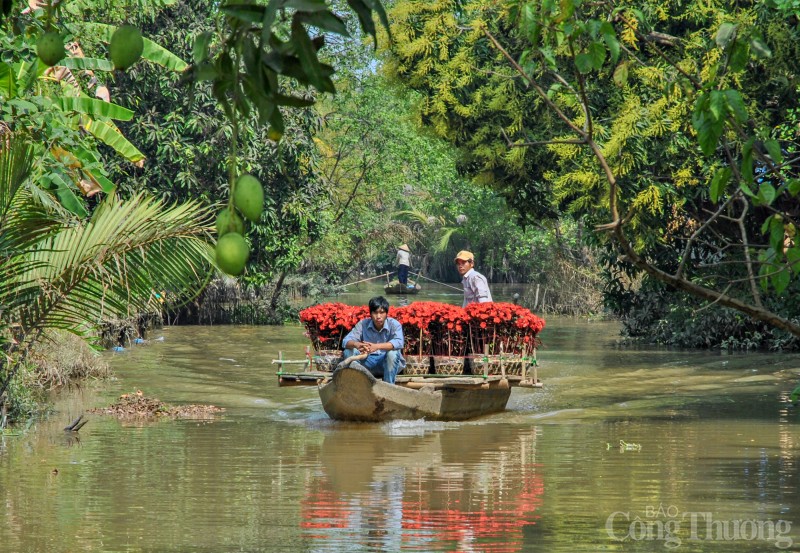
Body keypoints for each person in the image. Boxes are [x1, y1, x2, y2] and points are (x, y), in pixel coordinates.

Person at [342, 296, 406, 384]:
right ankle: (356, 383)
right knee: (348, 351)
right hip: (367, 363)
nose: (378, 316)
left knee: (393, 353)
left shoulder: (394, 324)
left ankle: (389, 386)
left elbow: (399, 342)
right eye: (375, 313)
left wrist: (376, 347)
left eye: (382, 313)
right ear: (370, 313)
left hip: (386, 364)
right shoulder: (363, 324)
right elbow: (345, 341)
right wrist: (357, 344)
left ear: (386, 313)